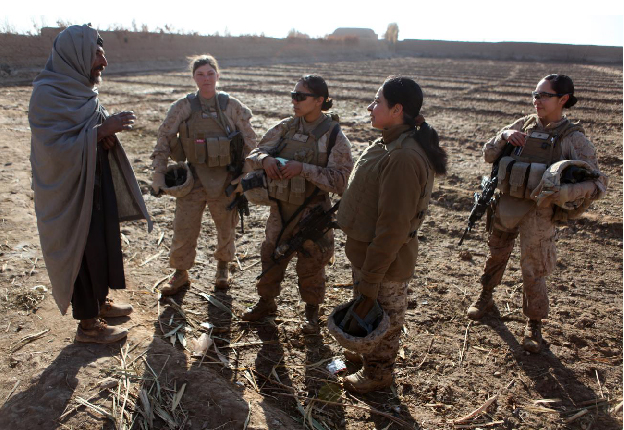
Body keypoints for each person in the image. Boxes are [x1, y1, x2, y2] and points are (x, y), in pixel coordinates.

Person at [29, 25, 153, 344]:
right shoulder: (47, 94)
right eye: (98, 54)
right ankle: (88, 325)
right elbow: (53, 149)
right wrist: (98, 132)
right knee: (81, 251)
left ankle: (100, 303)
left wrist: (105, 137)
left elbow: (91, 131)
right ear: (77, 55)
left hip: (95, 186)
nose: (104, 62)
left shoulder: (84, 90)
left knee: (100, 245)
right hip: (68, 196)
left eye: (103, 53)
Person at [466, 74, 608, 353]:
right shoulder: (523, 125)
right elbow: (488, 154)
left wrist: (565, 193)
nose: (537, 100)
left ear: (563, 99)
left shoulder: (573, 138)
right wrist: (504, 136)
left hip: (540, 213)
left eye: (544, 95)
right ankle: (486, 296)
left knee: (534, 268)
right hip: (507, 204)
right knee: (496, 253)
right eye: (535, 94)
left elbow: (598, 183)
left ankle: (534, 323)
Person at [336, 76, 447, 393]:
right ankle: (364, 356)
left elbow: (392, 227)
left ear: (397, 109)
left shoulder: (402, 156)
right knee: (367, 308)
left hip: (384, 260)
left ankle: (379, 372)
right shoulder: (390, 142)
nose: (370, 108)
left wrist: (371, 276)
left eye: (377, 101)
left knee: (385, 318)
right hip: (368, 254)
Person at [241, 75, 353, 333]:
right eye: (293, 94)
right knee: (270, 255)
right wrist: (266, 160)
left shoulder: (334, 136)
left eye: (300, 96)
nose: (294, 100)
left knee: (312, 265)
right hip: (280, 210)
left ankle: (311, 315)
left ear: (319, 100)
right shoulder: (287, 127)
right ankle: (266, 302)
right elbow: (254, 155)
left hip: (313, 214)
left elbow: (341, 181)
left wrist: (303, 169)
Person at [151, 55, 257, 294]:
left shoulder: (232, 106)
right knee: (183, 228)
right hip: (193, 179)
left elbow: (253, 143)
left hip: (226, 181)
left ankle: (222, 268)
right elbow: (164, 139)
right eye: (200, 74)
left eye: (210, 73)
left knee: (226, 228)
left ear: (218, 75)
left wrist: (246, 176)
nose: (206, 78)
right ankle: (180, 273)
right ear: (194, 78)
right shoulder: (183, 107)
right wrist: (158, 174)